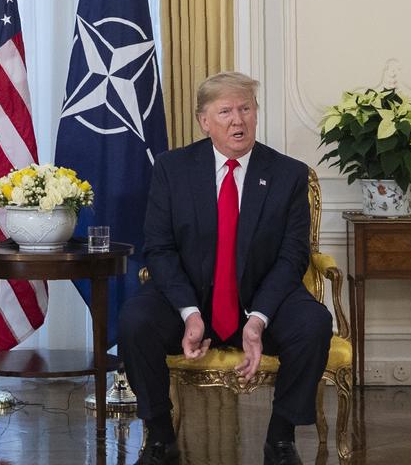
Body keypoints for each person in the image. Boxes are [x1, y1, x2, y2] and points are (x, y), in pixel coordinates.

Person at [118, 72, 332, 465]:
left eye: (246, 109)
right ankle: (160, 436)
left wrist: (259, 319)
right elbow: (160, 250)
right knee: (135, 319)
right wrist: (189, 312)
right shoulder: (173, 169)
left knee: (314, 323)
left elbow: (292, 257)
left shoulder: (288, 174)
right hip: (192, 298)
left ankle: (280, 438)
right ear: (205, 121)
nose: (239, 120)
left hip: (262, 297)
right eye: (226, 111)